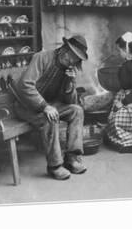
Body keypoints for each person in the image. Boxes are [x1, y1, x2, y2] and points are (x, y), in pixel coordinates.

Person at [9, 35, 88, 180]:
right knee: (50, 117)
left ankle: (72, 158)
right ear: (64, 49)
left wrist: (71, 83)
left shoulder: (67, 69)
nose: (72, 60)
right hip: (25, 106)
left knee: (77, 111)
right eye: (72, 55)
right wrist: (45, 106)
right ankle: (55, 166)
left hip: (49, 105)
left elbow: (69, 101)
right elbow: (25, 85)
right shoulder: (42, 57)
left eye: (76, 58)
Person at [104, 32, 132, 153]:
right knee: (111, 117)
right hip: (125, 94)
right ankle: (117, 139)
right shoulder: (127, 63)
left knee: (117, 120)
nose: (119, 52)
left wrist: (123, 103)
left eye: (120, 50)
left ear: (126, 49)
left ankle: (130, 142)